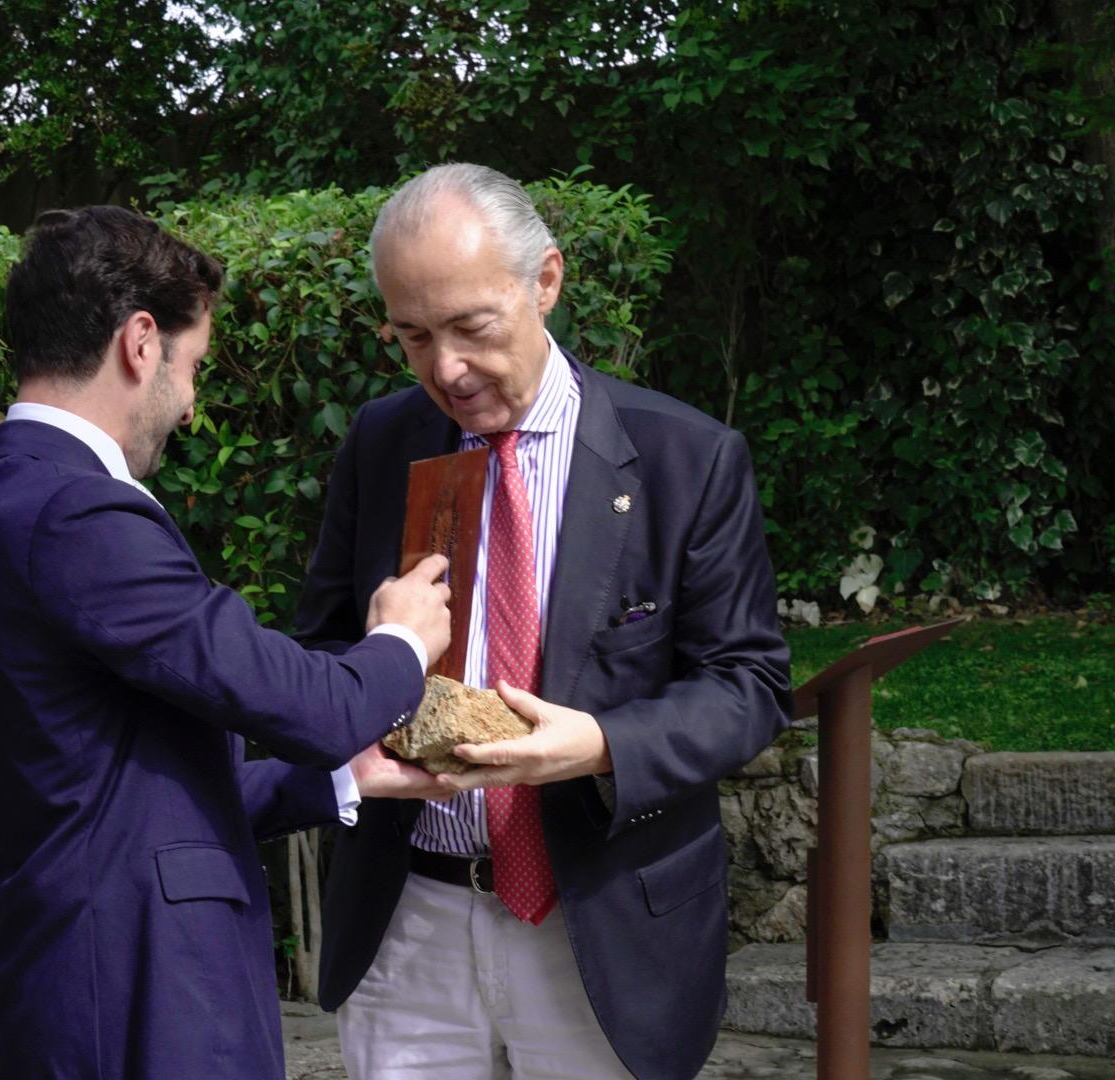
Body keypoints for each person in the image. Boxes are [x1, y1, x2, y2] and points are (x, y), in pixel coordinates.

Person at [0, 206, 453, 1080]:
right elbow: (311, 705)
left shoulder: (2, 505)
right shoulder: (75, 512)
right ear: (140, 342)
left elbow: (122, 797)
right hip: (140, 1003)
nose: (193, 401)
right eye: (194, 364)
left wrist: (342, 778)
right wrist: (399, 640)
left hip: (84, 989)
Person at [295, 164, 793, 1080]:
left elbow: (747, 685)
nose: (445, 368)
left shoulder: (687, 457)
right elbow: (317, 647)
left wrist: (600, 743)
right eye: (412, 337)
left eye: (471, 328)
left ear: (546, 282)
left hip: (598, 926)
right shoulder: (382, 441)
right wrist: (366, 681)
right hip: (411, 922)